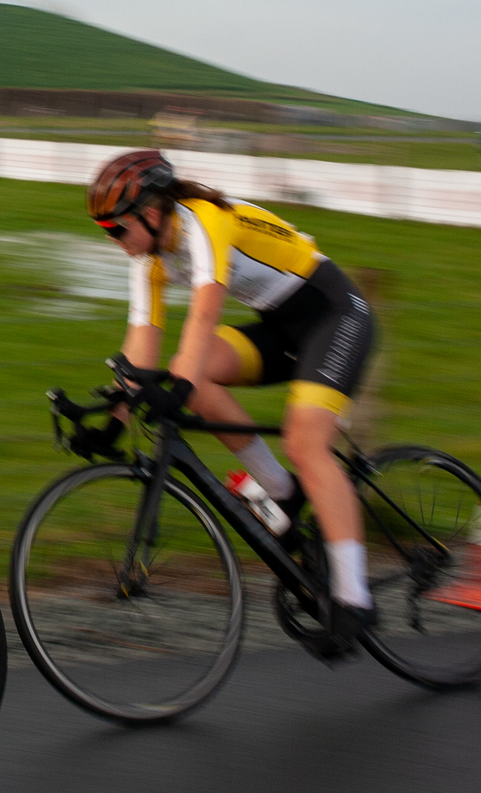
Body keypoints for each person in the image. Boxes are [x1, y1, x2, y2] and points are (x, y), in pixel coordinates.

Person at [81, 149, 380, 643]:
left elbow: (204, 315)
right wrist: (112, 419)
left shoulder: (204, 224)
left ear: (151, 214)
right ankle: (281, 492)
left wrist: (177, 387)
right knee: (189, 378)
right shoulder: (149, 257)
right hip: (280, 327)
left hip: (334, 314)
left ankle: (354, 600)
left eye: (116, 230)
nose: (114, 241)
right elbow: (139, 350)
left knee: (305, 443)